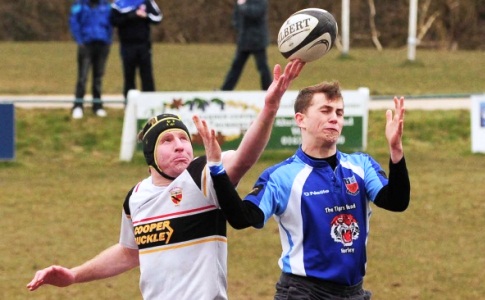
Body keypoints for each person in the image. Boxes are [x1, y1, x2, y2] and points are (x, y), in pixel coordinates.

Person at [26, 60, 305, 300]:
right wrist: (74, 275)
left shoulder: (202, 175)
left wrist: (270, 108)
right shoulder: (135, 198)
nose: (180, 145)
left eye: (184, 138)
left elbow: (244, 158)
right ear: (150, 154)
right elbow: (128, 252)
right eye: (168, 140)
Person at [205, 81, 411, 299]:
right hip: (303, 292)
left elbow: (397, 202)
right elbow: (242, 218)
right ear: (300, 119)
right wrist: (217, 169)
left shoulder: (361, 165)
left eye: (339, 113)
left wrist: (396, 151)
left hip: (353, 291)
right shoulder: (281, 176)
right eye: (325, 110)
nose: (335, 118)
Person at [69, 0, 113, 119]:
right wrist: (79, 40)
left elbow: (110, 24)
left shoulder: (106, 6)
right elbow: (73, 21)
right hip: (86, 44)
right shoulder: (79, 5)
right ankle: (78, 105)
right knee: (82, 77)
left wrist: (108, 41)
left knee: (98, 77)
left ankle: (97, 105)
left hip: (102, 44)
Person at [110, 0, 162, 100]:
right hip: (127, 45)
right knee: (129, 76)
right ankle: (129, 104)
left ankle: (150, 103)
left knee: (147, 76)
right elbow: (113, 21)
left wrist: (145, 16)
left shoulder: (147, 2)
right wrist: (130, 16)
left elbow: (158, 18)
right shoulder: (118, 4)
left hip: (144, 45)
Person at [220, 0, 272, 91]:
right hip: (244, 40)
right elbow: (236, 17)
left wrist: (243, 5)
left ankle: (268, 90)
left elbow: (254, 14)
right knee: (235, 67)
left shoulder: (259, 2)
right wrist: (238, 27)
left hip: (257, 40)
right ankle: (225, 91)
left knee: (262, 67)